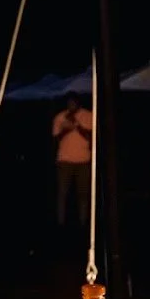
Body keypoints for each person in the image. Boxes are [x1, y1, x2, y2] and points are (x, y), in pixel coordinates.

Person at [52, 93, 93, 229]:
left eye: (73, 103)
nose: (71, 106)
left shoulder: (88, 115)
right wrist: (65, 129)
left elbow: (90, 137)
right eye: (69, 103)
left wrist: (76, 125)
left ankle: (83, 222)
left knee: (83, 193)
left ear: (78, 103)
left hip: (83, 160)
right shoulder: (60, 117)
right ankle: (60, 223)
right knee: (62, 193)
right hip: (65, 160)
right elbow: (56, 139)